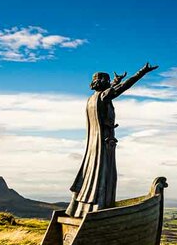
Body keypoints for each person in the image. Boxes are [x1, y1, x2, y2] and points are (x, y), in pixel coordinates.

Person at [66, 62, 158, 217]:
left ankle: (81, 208)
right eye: (109, 82)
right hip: (105, 144)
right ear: (104, 82)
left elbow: (111, 91)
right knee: (105, 175)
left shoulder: (91, 99)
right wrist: (142, 72)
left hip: (94, 145)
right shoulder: (103, 97)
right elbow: (123, 87)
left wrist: (115, 82)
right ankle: (100, 207)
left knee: (91, 173)